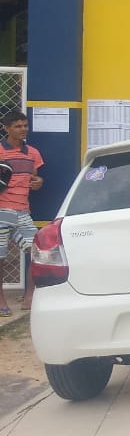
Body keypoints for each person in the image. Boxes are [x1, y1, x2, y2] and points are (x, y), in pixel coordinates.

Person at [0, 111, 44, 315]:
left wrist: (39, 182)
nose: (23, 129)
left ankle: (29, 297)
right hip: (2, 211)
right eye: (18, 126)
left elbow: (35, 178)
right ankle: (1, 301)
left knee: (38, 252)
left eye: (25, 125)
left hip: (22, 212)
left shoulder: (32, 153)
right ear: (6, 128)